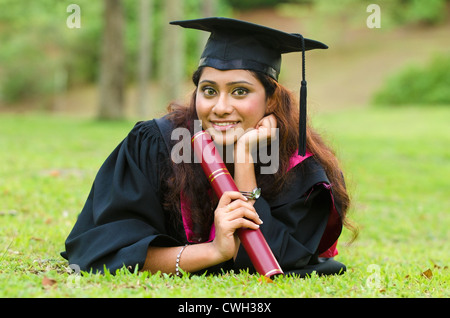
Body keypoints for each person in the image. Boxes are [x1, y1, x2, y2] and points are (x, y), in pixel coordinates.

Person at [61, 17, 355, 277]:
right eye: (209, 91)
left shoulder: (298, 164)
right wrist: (213, 252)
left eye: (240, 91)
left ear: (271, 100)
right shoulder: (156, 144)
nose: (221, 107)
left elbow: (275, 259)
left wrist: (244, 159)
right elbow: (104, 251)